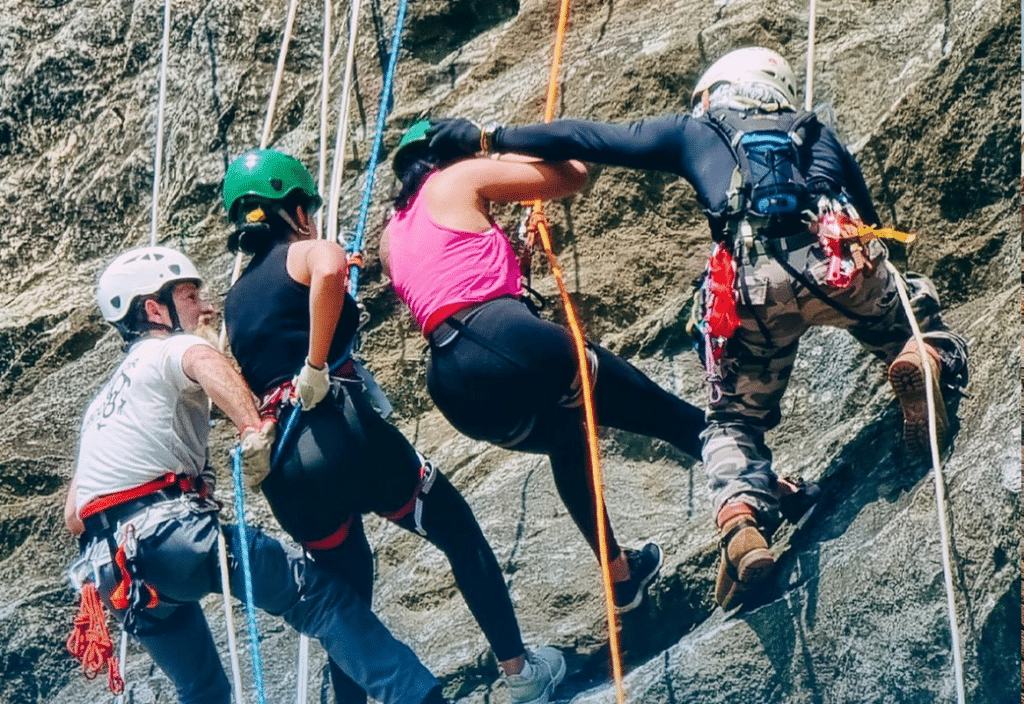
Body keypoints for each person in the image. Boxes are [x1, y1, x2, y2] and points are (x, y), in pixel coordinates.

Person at [423, 47, 969, 610]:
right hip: (836, 257)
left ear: (714, 91)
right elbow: (867, 215)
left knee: (732, 421)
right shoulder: (815, 131)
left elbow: (585, 139)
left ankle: (740, 520)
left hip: (749, 284)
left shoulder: (695, 129)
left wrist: (488, 136)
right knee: (909, 304)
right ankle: (920, 356)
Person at [220, 149, 565, 704]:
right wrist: (314, 365)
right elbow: (327, 269)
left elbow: (289, 316)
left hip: (289, 470)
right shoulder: (310, 250)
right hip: (338, 431)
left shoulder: (235, 302)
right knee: (456, 527)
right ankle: (521, 675)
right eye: (305, 205)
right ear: (291, 208)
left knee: (347, 603)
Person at [64, 246, 454, 704]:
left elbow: (76, 514)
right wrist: (254, 429)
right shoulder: (172, 348)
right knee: (322, 601)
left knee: (201, 688)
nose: (205, 307)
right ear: (154, 308)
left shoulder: (101, 406)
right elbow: (206, 364)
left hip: (113, 571)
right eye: (190, 296)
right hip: (171, 534)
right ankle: (419, 697)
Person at [382, 119, 734, 616]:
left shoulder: (390, 237)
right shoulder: (456, 179)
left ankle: (620, 578)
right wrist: (492, 150)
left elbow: (450, 285)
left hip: (452, 381)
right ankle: (765, 488)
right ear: (445, 154)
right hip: (505, 337)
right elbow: (573, 173)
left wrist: (508, 254)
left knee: (567, 437)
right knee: (659, 412)